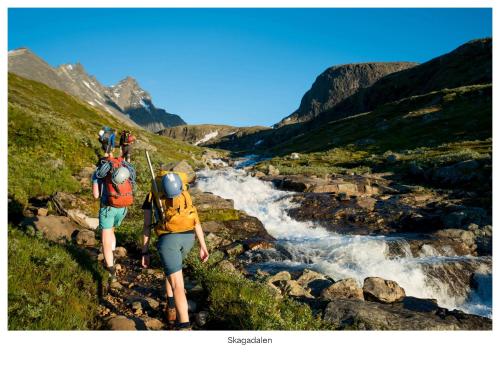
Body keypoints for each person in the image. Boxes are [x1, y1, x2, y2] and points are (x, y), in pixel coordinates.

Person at [141, 171, 209, 330]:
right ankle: (170, 307)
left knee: (178, 284)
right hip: (188, 239)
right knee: (173, 271)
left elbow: (146, 227)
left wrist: (144, 251)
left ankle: (184, 326)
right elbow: (195, 221)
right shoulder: (185, 194)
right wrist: (203, 246)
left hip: (168, 242)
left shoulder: (153, 196)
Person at [92, 154, 135, 292]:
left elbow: (96, 195)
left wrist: (96, 181)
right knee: (112, 231)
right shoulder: (124, 168)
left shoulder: (99, 173)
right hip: (122, 207)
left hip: (108, 208)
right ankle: (112, 256)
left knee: (105, 237)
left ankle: (111, 272)